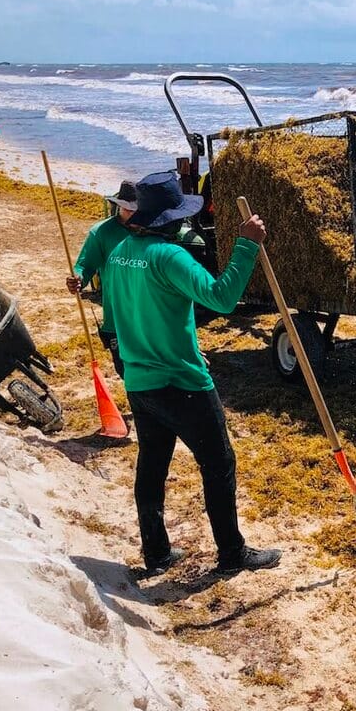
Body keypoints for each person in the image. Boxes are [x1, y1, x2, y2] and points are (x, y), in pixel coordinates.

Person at [104, 170, 281, 576]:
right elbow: (221, 298)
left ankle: (157, 553)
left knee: (152, 464)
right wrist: (246, 246)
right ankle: (232, 553)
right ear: (173, 220)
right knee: (218, 463)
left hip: (140, 380)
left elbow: (112, 315)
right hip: (182, 380)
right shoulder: (170, 256)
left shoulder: (119, 253)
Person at [65, 181, 138, 377]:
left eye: (135, 208)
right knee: (126, 371)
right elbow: (85, 265)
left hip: (146, 315)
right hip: (116, 317)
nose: (131, 213)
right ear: (118, 205)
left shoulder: (148, 229)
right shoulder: (101, 232)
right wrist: (78, 278)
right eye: (126, 208)